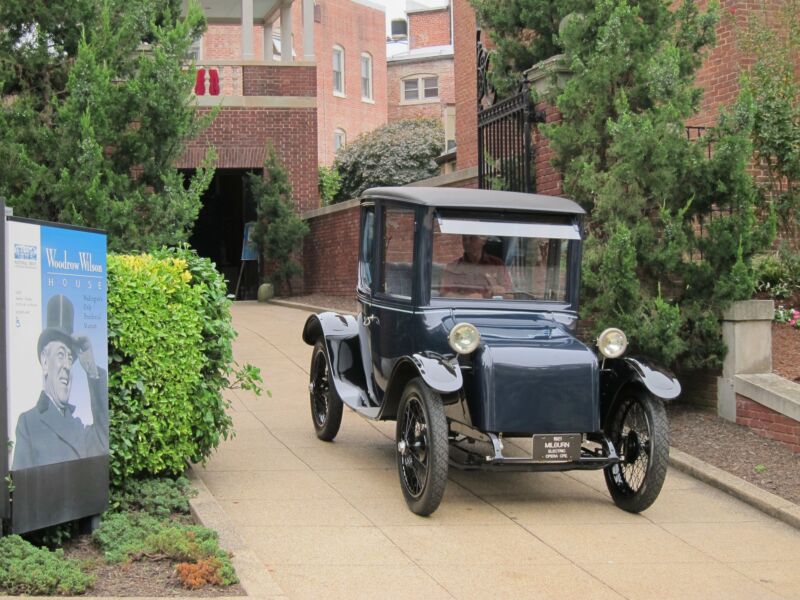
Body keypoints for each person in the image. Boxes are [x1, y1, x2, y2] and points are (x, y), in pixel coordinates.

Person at [11, 295, 108, 470]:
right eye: (61, 355)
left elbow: (103, 440)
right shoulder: (29, 423)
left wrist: (92, 370)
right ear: (45, 362)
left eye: (70, 358)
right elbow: (24, 489)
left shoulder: (78, 427)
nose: (66, 366)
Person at [439, 235, 513, 298]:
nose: (466, 241)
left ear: (483, 241)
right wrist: (466, 298)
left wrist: (500, 291)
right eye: (464, 238)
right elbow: (444, 294)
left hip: (491, 309)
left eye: (471, 238)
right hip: (464, 310)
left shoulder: (497, 264)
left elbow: (511, 295)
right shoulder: (453, 266)